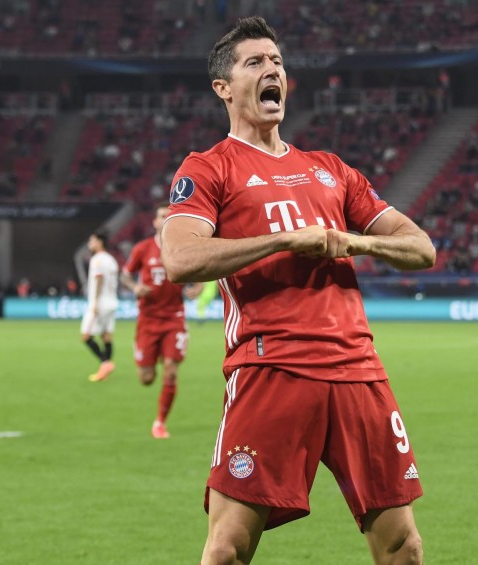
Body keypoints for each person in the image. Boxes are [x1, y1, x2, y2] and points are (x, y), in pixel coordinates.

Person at [160, 17, 436, 565]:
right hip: (271, 369)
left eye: (278, 62)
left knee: (404, 547)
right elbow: (180, 259)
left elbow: (421, 248)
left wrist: (353, 243)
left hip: (359, 369)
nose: (273, 71)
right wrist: (284, 239)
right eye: (256, 63)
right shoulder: (208, 168)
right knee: (228, 550)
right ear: (223, 87)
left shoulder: (331, 170)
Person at [120, 203, 203, 439]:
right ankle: (149, 354)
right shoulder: (142, 249)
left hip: (174, 318)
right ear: (155, 222)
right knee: (146, 378)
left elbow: (202, 270)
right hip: (147, 319)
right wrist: (135, 286)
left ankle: (160, 422)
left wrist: (198, 286)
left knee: (170, 371)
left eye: (169, 216)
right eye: (161, 216)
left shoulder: (183, 249)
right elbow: (125, 275)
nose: (165, 219)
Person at [82, 232, 118, 383]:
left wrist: (95, 302)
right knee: (106, 336)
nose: (89, 244)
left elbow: (99, 279)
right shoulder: (111, 259)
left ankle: (105, 363)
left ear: (100, 243)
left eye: (92, 241)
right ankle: (105, 369)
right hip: (111, 302)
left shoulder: (97, 260)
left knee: (86, 336)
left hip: (100, 303)